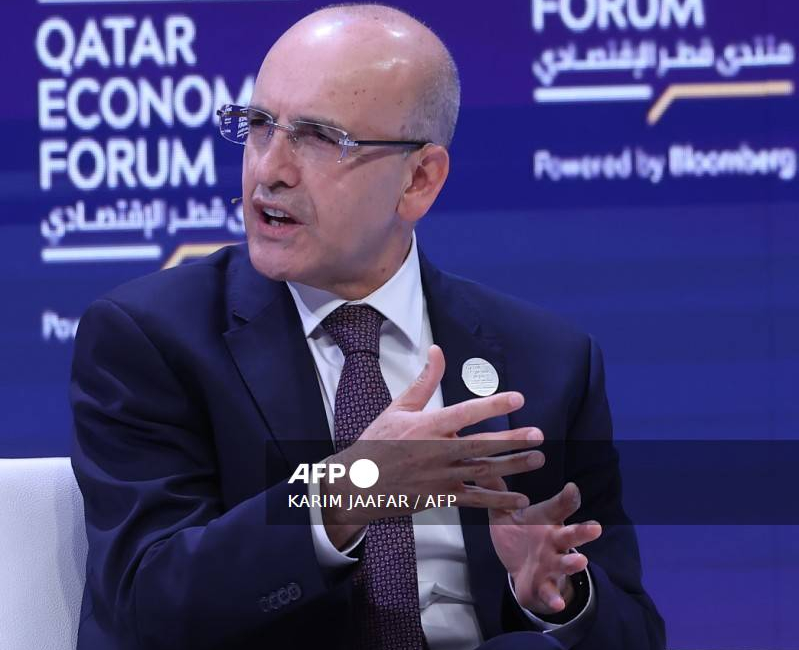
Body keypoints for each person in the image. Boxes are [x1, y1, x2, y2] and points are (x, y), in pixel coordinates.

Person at [70, 4, 665, 650]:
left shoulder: (546, 362)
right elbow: (146, 602)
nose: (269, 169)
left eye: (320, 138)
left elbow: (634, 636)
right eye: (261, 125)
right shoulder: (153, 339)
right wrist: (350, 488)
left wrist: (560, 596)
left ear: (419, 180)